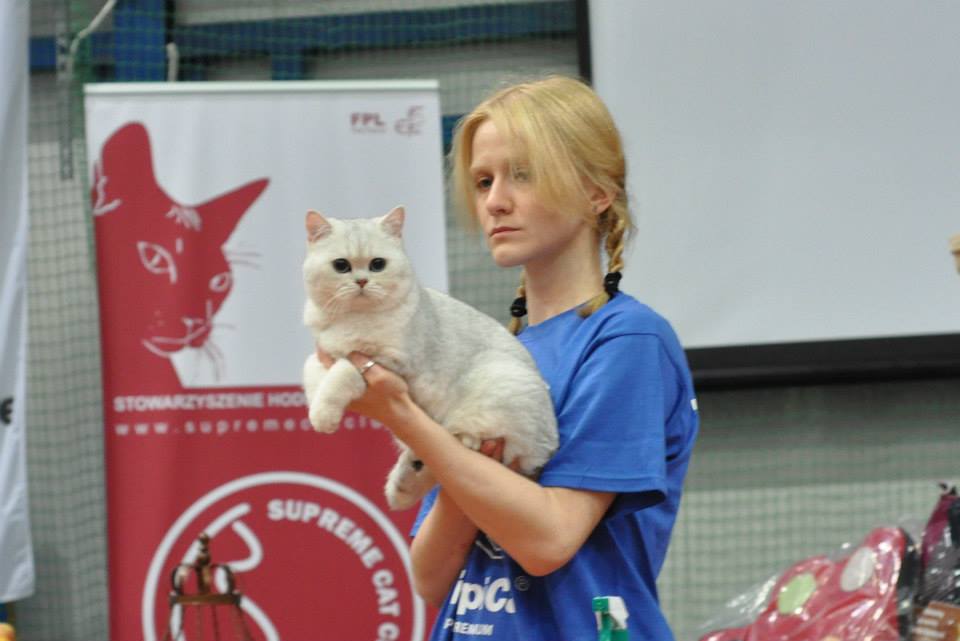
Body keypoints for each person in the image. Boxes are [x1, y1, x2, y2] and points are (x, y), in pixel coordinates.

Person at [324, 75, 700, 640]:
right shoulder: (495, 352)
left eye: (523, 174)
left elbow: (548, 542)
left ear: (596, 192)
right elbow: (430, 577)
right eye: (483, 181)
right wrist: (476, 461)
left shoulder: (627, 340)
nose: (495, 201)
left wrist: (402, 415)